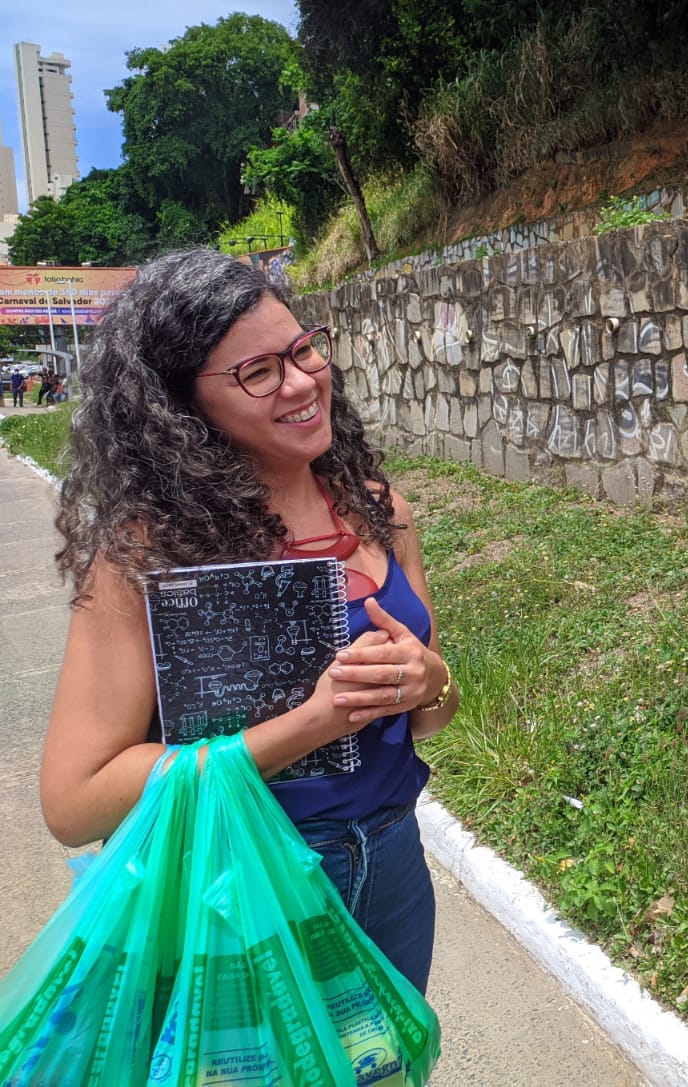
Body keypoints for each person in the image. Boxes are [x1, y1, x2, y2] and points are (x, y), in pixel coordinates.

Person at [40, 248, 460, 991]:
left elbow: (429, 715)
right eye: (258, 372)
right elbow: (76, 798)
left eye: (304, 350)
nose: (302, 383)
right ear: (180, 404)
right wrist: (308, 724)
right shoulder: (150, 553)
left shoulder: (377, 510)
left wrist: (428, 680)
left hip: (392, 861)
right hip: (239, 886)